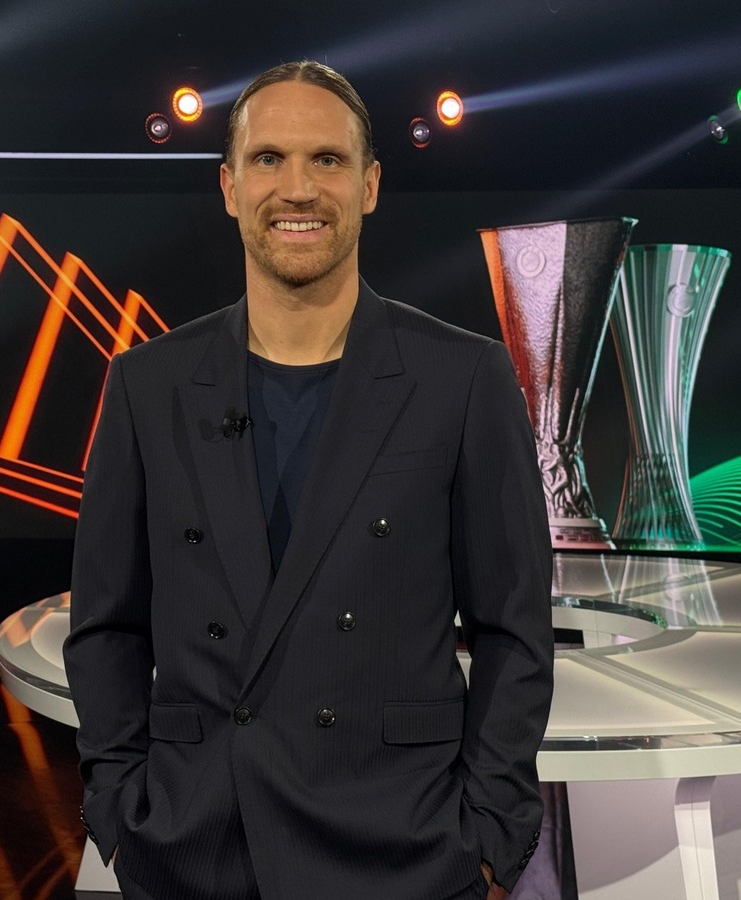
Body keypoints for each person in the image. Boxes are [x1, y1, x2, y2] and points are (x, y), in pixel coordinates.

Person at [63, 60, 554, 900]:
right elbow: (106, 625)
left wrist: (487, 835)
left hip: (401, 851)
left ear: (369, 185)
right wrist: (120, 805)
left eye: (327, 159)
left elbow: (514, 629)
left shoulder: (464, 379)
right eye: (269, 159)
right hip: (194, 849)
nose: (298, 189)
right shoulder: (148, 385)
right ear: (229, 187)